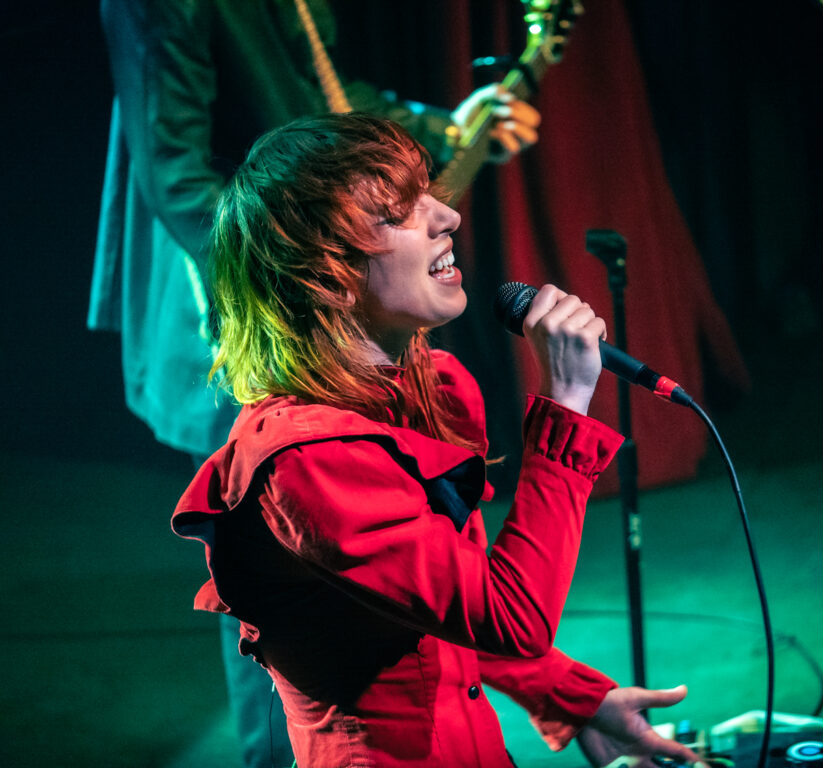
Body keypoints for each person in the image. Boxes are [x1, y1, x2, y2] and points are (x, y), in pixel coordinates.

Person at [171, 112, 700, 768]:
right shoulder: (308, 461)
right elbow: (513, 616)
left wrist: (573, 696)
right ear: (326, 276)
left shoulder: (431, 386)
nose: (447, 217)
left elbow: (445, 609)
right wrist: (565, 406)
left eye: (427, 194)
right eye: (398, 213)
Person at [88, 2, 538, 765]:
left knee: (388, 583)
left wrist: (441, 126)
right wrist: (294, 306)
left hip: (329, 305)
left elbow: (322, 91)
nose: (443, 221)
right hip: (261, 318)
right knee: (286, 608)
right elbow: (176, 174)